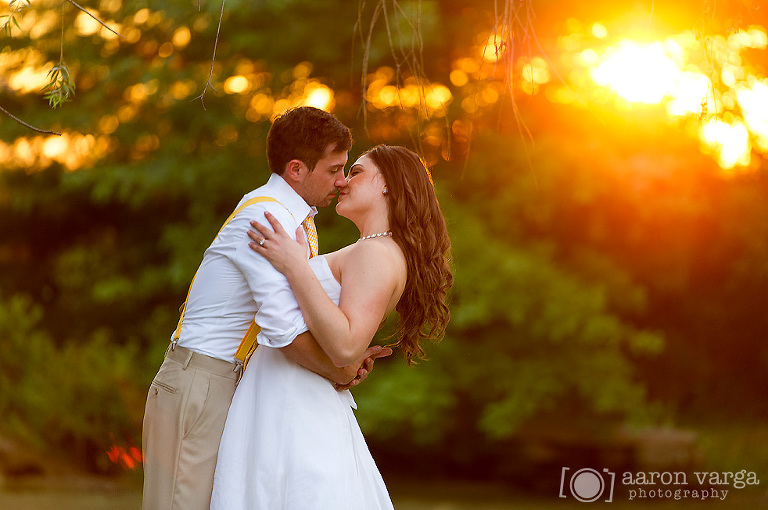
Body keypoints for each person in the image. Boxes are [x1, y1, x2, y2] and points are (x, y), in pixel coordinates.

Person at [141, 107, 391, 510]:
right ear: (296, 169)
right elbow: (284, 329)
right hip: (200, 381)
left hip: (226, 384)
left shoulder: (293, 218)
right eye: (334, 170)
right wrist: (340, 370)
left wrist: (344, 354)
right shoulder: (266, 216)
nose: (342, 181)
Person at [210, 145, 453, 509]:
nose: (342, 182)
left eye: (355, 172)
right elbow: (340, 348)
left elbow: (345, 346)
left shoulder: (376, 253)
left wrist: (295, 266)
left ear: (387, 184)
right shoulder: (372, 249)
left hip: (296, 404)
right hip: (286, 394)